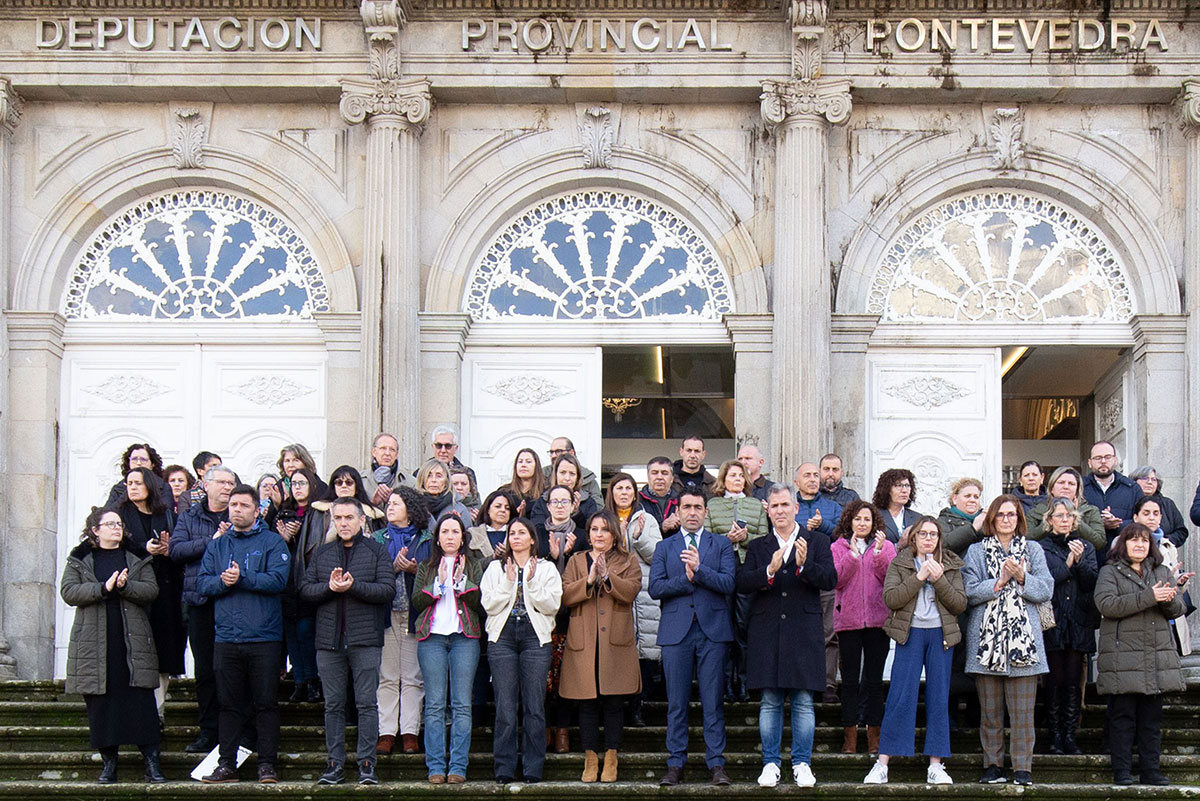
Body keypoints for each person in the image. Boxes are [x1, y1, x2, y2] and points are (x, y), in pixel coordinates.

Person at [736, 484, 836, 788]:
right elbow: (742, 582)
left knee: (804, 701)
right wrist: (769, 568)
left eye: (785, 505)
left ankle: (802, 762)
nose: (780, 510)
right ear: (768, 510)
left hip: (803, 630)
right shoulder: (758, 546)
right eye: (774, 506)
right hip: (767, 631)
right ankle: (770, 763)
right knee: (769, 701)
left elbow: (830, 578)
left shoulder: (817, 541)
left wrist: (804, 565)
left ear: (795, 507)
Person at [196, 484, 291, 784]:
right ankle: (227, 765)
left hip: (264, 637)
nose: (236, 510)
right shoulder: (217, 546)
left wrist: (243, 577)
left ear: (256, 510)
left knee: (265, 704)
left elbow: (278, 580)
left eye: (243, 505)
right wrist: (223, 582)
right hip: (226, 638)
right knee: (229, 705)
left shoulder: (274, 543)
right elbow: (202, 585)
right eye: (233, 505)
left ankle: (267, 765)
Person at [62, 507, 164, 784]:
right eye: (110, 524)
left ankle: (152, 764)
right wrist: (103, 588)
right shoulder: (80, 559)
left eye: (119, 524)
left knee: (141, 703)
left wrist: (124, 586)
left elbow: (151, 590)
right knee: (101, 705)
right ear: (95, 530)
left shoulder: (137, 557)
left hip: (132, 642)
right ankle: (109, 765)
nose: (116, 528)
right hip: (94, 644)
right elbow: (69, 592)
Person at [299, 497, 396, 786]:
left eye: (349, 518)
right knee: (333, 705)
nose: (343, 523)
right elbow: (305, 589)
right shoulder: (323, 553)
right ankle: (334, 765)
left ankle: (367, 764)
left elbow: (387, 590)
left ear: (362, 520)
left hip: (365, 639)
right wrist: (329, 588)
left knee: (366, 703)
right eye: (338, 518)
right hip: (328, 641)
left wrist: (355, 586)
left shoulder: (378, 551)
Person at [863, 516, 966, 786]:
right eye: (923, 534)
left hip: (941, 635)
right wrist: (920, 577)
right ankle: (882, 763)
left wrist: (940, 579)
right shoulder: (900, 562)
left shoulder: (951, 564)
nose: (928, 538)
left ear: (939, 538)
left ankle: (936, 764)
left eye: (933, 534)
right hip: (909, 635)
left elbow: (959, 604)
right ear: (914, 538)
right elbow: (891, 598)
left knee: (938, 698)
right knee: (900, 696)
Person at [961, 495, 1053, 786]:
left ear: (1019, 519)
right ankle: (993, 765)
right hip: (986, 646)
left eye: (1011, 514)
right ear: (991, 519)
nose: (1006, 519)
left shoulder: (1034, 549)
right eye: (1000, 514)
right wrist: (998, 582)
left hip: (1024, 645)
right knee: (990, 713)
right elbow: (968, 593)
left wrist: (1022, 576)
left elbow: (1046, 590)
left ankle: (1022, 768)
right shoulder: (975, 551)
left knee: (1023, 714)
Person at [650, 489, 735, 787]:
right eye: (687, 507)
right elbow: (655, 589)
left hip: (712, 630)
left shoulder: (721, 544)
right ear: (679, 511)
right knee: (676, 702)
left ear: (706, 512)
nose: (693, 512)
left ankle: (716, 764)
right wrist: (685, 580)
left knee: (713, 701)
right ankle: (675, 763)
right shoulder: (665, 546)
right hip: (676, 632)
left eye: (698, 507)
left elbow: (728, 583)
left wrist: (699, 570)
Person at [1095, 523, 1188, 786]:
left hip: (1155, 658)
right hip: (1122, 658)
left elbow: (1178, 608)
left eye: (1145, 541)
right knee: (1122, 719)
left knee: (1151, 721)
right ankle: (1121, 772)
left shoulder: (1161, 571)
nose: (1139, 545)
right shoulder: (1109, 572)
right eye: (1133, 540)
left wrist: (1169, 597)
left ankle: (1151, 771)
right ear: (1123, 544)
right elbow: (1107, 605)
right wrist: (1150, 596)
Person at [560, 512, 643, 783]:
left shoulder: (627, 559)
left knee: (613, 702)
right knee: (586, 703)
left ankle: (611, 756)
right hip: (584, 640)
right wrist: (588, 579)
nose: (599, 534)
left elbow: (631, 591)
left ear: (614, 535)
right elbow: (564, 595)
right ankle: (590, 757)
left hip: (614, 641)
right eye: (594, 529)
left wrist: (608, 577)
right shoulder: (575, 560)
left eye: (605, 530)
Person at [480, 518, 562, 784]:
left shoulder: (547, 568)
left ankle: (533, 768)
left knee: (534, 705)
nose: (516, 537)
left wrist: (531, 582)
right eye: (512, 533)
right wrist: (508, 582)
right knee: (505, 705)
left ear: (531, 539)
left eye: (521, 533)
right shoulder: (495, 568)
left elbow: (552, 605)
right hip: (502, 637)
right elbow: (489, 605)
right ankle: (503, 768)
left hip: (534, 637)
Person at [168, 464, 235, 754]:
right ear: (205, 485)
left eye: (231, 483)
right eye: (221, 482)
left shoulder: (241, 514)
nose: (227, 487)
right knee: (206, 671)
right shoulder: (189, 516)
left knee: (232, 671)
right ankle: (209, 731)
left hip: (233, 602)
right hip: (201, 601)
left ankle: (237, 730)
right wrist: (212, 542)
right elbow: (176, 551)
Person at [412, 514, 484, 784]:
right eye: (445, 532)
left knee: (462, 705)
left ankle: (458, 767)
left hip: (465, 638)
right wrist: (440, 584)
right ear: (438, 537)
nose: (450, 536)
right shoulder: (426, 566)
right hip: (431, 639)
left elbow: (480, 604)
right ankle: (435, 768)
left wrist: (462, 582)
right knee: (434, 705)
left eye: (456, 531)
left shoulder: (475, 564)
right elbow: (417, 601)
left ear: (463, 537)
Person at [114, 467, 185, 719]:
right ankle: (133, 710)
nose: (132, 487)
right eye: (129, 483)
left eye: (137, 483)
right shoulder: (119, 514)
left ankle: (158, 710)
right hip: (133, 589)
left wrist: (167, 550)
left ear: (149, 486)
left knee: (163, 647)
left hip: (164, 589)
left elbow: (178, 547)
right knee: (132, 647)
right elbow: (115, 547)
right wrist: (144, 549)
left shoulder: (166, 514)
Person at [830, 500, 896, 755]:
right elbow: (837, 579)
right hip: (848, 622)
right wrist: (853, 554)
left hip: (878, 622)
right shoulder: (839, 546)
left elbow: (890, 578)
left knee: (874, 681)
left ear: (874, 523)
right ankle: (850, 738)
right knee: (849, 681)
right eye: (858, 519)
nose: (862, 523)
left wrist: (878, 554)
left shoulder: (886, 546)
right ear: (850, 521)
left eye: (867, 519)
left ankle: (874, 737)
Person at [1038, 497, 1098, 756]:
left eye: (1069, 516)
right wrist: (1070, 562)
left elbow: (1091, 582)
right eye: (1060, 516)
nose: (1065, 520)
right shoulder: (1041, 546)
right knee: (1054, 681)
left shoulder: (1087, 546)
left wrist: (1081, 559)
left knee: (1073, 682)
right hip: (1053, 621)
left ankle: (1070, 736)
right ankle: (1055, 736)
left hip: (1078, 621)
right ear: (1049, 519)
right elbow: (1049, 581)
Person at [704, 459, 767, 701]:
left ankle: (744, 681)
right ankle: (724, 684)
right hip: (721, 569)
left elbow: (763, 537)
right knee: (722, 626)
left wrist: (745, 536)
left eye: (741, 476)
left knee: (743, 625)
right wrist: (727, 539)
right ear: (723, 479)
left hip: (746, 569)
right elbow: (707, 536)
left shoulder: (755, 505)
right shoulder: (713, 504)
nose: (737, 479)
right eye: (732, 475)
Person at [604, 473, 663, 726]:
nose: (625, 492)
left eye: (629, 488)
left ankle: (637, 708)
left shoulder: (646, 519)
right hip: (613, 590)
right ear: (612, 492)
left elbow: (658, 555)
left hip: (644, 593)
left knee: (643, 653)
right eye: (619, 488)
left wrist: (639, 537)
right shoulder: (603, 520)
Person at [376, 485, 431, 755]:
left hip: (414, 614)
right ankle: (386, 732)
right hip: (386, 614)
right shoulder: (377, 538)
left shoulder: (426, 539)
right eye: (389, 504)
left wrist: (415, 569)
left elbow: (433, 574)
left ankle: (410, 731)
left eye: (396, 503)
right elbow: (371, 573)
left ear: (410, 509)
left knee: (412, 677)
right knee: (387, 676)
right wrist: (393, 568)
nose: (390, 507)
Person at [536, 483, 586, 753]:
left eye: (564, 501)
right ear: (547, 506)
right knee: (543, 677)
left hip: (572, 617)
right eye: (554, 501)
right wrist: (551, 556)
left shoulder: (582, 535)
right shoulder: (538, 535)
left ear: (572, 505)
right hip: (542, 617)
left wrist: (568, 555)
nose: (559, 506)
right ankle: (544, 727)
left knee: (565, 676)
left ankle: (563, 729)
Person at [794, 462, 841, 700]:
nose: (813, 479)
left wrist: (823, 525)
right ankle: (801, 681)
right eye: (807, 475)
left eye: (815, 475)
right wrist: (804, 528)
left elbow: (843, 534)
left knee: (828, 632)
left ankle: (828, 683)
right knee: (797, 632)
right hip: (795, 578)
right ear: (796, 482)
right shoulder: (790, 506)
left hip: (824, 575)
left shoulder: (832, 507)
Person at [275, 466, 323, 703]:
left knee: (306, 632)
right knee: (292, 633)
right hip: (287, 582)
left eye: (302, 483)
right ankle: (300, 681)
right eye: (294, 484)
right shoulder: (283, 513)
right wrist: (284, 539)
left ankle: (313, 680)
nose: (298, 488)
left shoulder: (318, 513)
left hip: (309, 579)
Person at [1083, 440, 1144, 557]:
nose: (1103, 461)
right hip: (1088, 557)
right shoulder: (1079, 487)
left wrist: (1118, 524)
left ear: (1115, 460)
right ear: (1090, 463)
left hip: (1123, 556)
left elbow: (1142, 522)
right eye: (1097, 458)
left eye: (1108, 457)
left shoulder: (1132, 488)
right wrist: (1099, 524)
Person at [1026, 466, 1106, 550]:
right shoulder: (1036, 511)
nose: (1066, 487)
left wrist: (1075, 517)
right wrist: (1050, 520)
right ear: (1051, 488)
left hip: (1082, 560)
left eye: (1071, 484)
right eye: (1061, 482)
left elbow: (1099, 542)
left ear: (1077, 490)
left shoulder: (1091, 511)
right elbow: (1027, 540)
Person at [529, 453, 599, 530]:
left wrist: (576, 514)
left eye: (572, 474)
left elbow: (590, 531)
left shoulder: (588, 502)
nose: (567, 478)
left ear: (577, 477)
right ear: (555, 475)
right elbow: (537, 531)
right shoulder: (542, 501)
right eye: (563, 472)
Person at [1130, 466, 1189, 548]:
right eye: (1145, 478)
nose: (1149, 482)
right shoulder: (1128, 502)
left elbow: (1181, 532)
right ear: (1134, 481)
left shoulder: (1167, 504)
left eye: (1154, 479)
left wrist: (1163, 541)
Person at [104, 442, 171, 507]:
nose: (138, 463)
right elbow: (108, 513)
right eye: (134, 459)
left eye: (143, 459)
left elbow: (167, 513)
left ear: (152, 464)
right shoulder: (118, 488)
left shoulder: (163, 487)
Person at [415, 458, 472, 528]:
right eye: (428, 476)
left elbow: (467, 536)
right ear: (422, 480)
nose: (433, 480)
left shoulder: (460, 509)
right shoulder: (413, 507)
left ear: (446, 481)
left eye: (439, 476)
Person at [466, 489, 517, 563]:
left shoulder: (518, 534)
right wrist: (493, 557)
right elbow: (471, 566)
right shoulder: (473, 534)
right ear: (488, 510)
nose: (503, 510)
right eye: (498, 506)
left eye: (507, 508)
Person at [938, 478, 985, 555]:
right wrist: (973, 528)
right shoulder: (943, 520)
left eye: (976, 497)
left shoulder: (985, 519)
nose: (972, 500)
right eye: (967, 496)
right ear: (954, 499)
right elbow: (944, 546)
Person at [872, 468, 920, 544]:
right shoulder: (873, 516)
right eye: (899, 485)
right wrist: (898, 546)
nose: (904, 490)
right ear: (887, 489)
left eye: (907, 485)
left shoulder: (918, 518)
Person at [361, 432, 407, 509]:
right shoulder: (360, 480)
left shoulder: (410, 482)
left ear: (396, 455)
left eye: (392, 450)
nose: (387, 453)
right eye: (383, 448)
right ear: (374, 452)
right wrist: (373, 505)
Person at [426, 423, 478, 490]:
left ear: (455, 448)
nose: (443, 450)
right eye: (439, 445)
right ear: (433, 447)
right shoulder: (420, 473)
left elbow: (474, 498)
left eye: (448, 446)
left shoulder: (467, 475)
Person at [640, 456, 681, 534]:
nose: (659, 477)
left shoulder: (681, 501)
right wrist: (662, 527)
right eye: (654, 473)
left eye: (664, 473)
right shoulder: (637, 501)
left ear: (672, 478)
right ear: (648, 477)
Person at [507, 447, 546, 518]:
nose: (523, 465)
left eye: (528, 462)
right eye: (520, 461)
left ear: (536, 466)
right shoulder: (505, 492)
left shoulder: (545, 493)